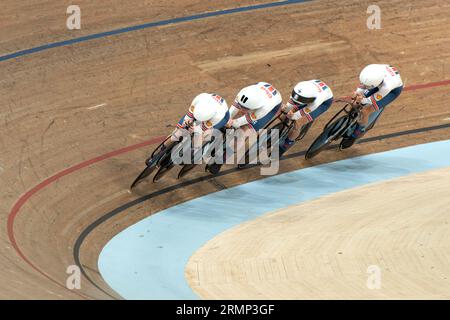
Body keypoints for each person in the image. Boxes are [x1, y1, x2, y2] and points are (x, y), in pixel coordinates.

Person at [207, 82, 282, 174]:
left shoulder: (265, 107)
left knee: (242, 134)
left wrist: (233, 123)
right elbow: (233, 110)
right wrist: (227, 120)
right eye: (242, 106)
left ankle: (221, 161)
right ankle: (220, 139)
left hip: (270, 108)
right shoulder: (243, 93)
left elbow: (244, 120)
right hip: (257, 95)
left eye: (245, 108)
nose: (242, 110)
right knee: (228, 118)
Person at [147, 93, 229, 165]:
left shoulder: (218, 115)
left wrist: (195, 130)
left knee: (201, 135)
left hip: (220, 118)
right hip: (201, 112)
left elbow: (202, 129)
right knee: (178, 132)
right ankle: (160, 151)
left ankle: (192, 152)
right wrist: (186, 123)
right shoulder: (199, 99)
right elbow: (188, 116)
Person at [340, 64, 403, 149]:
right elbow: (363, 86)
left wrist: (361, 99)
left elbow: (370, 100)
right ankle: (351, 119)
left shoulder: (386, 87)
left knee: (365, 111)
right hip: (378, 82)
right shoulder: (371, 72)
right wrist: (357, 94)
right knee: (356, 99)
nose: (365, 86)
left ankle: (357, 132)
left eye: (367, 86)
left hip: (392, 91)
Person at [279, 80, 333, 156]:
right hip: (306, 97)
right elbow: (292, 101)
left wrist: (293, 116)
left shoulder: (317, 101)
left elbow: (301, 113)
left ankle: (286, 144)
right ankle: (280, 128)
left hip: (322, 103)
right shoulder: (299, 88)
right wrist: (287, 109)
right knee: (286, 111)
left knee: (299, 123)